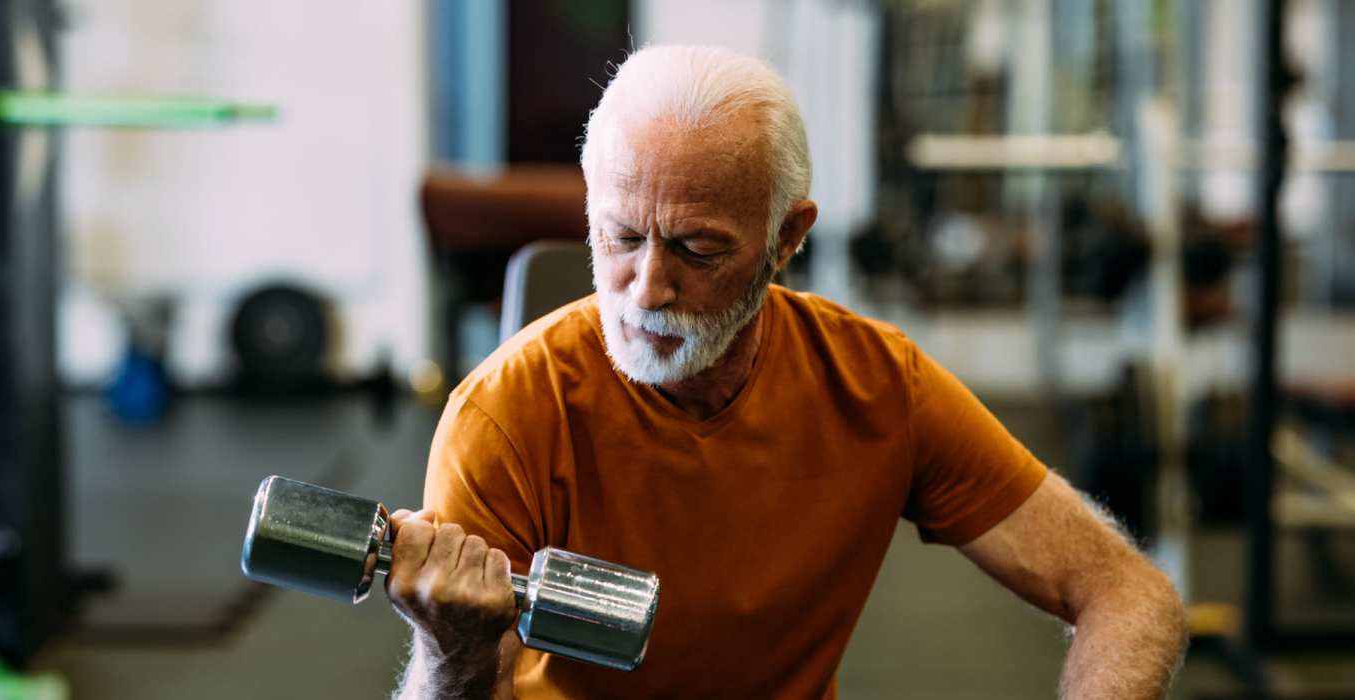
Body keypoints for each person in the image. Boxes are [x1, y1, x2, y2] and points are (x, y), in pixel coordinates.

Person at [384, 45, 1187, 699]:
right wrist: (451, 654)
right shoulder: (506, 414)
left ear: (787, 239)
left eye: (698, 249)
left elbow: (1128, 592)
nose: (647, 289)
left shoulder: (875, 384)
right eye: (621, 237)